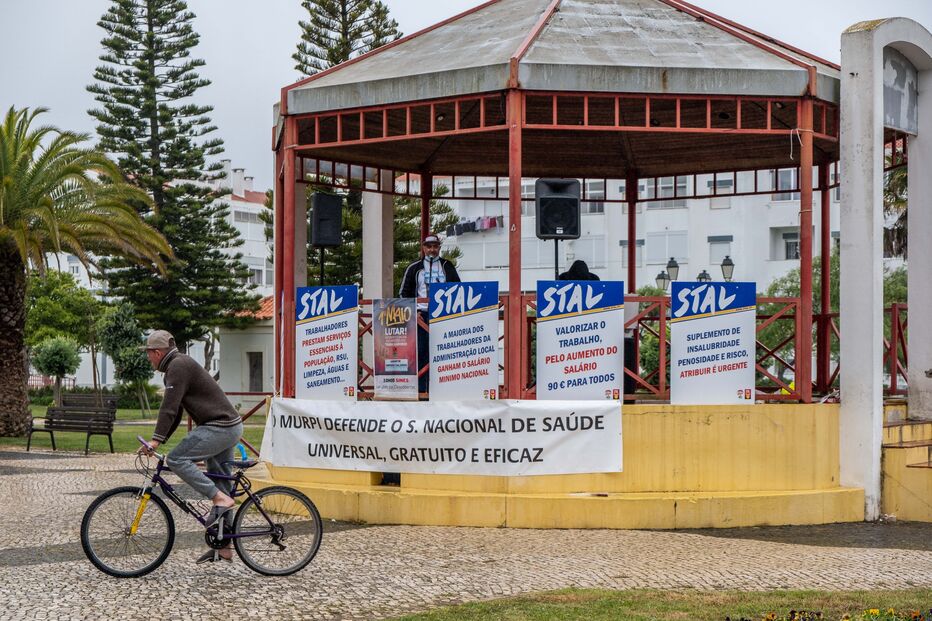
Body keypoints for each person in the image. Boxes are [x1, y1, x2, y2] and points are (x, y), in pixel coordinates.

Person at [136, 330, 244, 564]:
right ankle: (224, 546)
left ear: (157, 352)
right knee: (223, 482)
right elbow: (175, 415)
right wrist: (160, 438)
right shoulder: (177, 366)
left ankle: (219, 499)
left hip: (221, 426)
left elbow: (168, 408)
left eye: (148, 354)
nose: (148, 359)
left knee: (176, 459)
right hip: (227, 426)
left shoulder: (178, 366)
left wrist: (155, 441)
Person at [399, 234, 461, 395]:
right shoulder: (414, 268)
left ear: (439, 248)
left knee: (444, 352)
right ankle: (421, 390)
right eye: (429, 246)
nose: (432, 249)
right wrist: (415, 312)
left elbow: (457, 289)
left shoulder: (447, 266)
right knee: (422, 352)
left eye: (435, 246)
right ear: (423, 248)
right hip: (422, 315)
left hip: (443, 315)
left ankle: (442, 389)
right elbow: (403, 293)